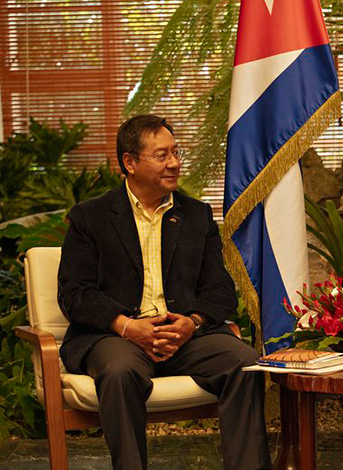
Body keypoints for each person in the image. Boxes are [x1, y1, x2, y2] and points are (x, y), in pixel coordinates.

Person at [57, 115, 271, 470]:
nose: (174, 163)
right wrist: (126, 326)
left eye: (175, 152)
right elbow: (75, 293)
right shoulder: (90, 218)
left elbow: (220, 290)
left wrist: (192, 321)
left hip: (186, 337)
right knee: (120, 371)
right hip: (118, 336)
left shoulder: (196, 215)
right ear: (130, 162)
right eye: (161, 155)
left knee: (244, 362)